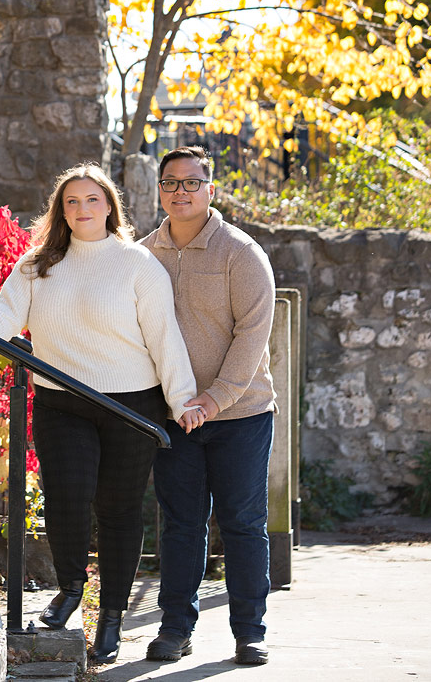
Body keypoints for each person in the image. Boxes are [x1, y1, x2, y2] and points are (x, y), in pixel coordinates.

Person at [0, 162, 206, 664]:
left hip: (130, 404)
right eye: (71, 201)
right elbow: (2, 319)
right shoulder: (37, 265)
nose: (82, 208)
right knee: (66, 500)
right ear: (61, 210)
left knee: (118, 512)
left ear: (110, 206)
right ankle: (71, 588)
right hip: (62, 402)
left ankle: (111, 617)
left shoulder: (138, 265)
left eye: (92, 199)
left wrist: (183, 401)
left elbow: (165, 338)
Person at [139, 145, 278, 666]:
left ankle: (250, 632)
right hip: (174, 416)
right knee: (180, 525)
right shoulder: (142, 254)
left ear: (210, 189)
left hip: (241, 415)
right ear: (159, 190)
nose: (181, 192)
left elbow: (252, 336)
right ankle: (175, 628)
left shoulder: (241, 253)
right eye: (171, 183)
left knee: (242, 523)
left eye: (192, 182)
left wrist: (213, 399)